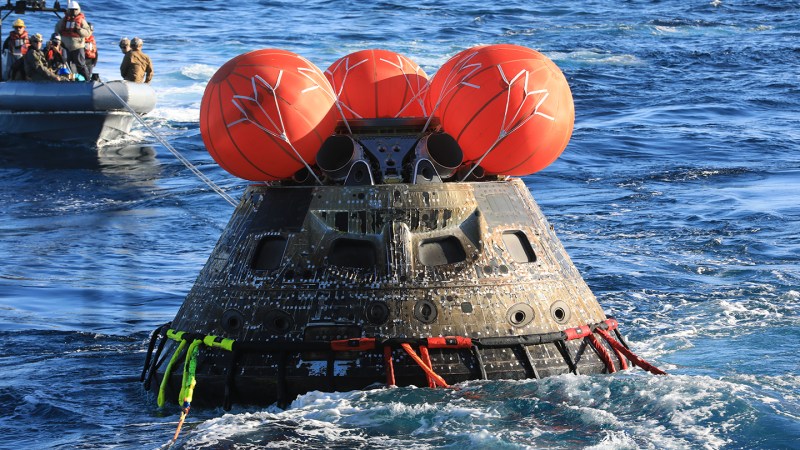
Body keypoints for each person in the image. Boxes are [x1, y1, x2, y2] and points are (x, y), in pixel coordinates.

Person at [54, 0, 91, 81]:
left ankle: (87, 81)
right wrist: (59, 38)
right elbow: (57, 29)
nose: (73, 12)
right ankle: (68, 80)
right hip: (65, 47)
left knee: (80, 65)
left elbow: (88, 33)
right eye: (71, 10)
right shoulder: (64, 20)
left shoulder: (81, 21)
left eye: (75, 10)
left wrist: (79, 29)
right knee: (65, 65)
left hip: (78, 47)